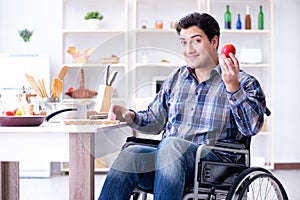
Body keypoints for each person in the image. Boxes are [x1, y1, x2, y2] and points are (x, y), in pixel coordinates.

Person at [98, 12, 266, 200]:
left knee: (171, 145)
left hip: (214, 166)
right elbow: (155, 120)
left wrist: (233, 87)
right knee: (132, 154)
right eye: (183, 42)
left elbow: (252, 127)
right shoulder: (176, 79)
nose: (189, 49)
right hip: (168, 165)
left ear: (214, 42)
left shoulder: (244, 82)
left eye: (196, 41)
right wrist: (129, 115)